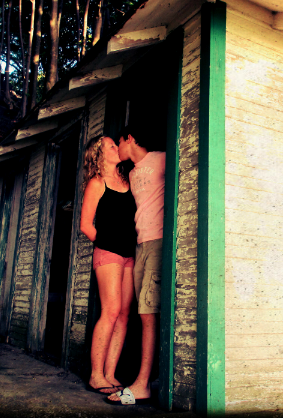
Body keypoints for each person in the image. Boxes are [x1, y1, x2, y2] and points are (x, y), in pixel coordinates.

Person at [106, 124, 165, 406]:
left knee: (148, 314)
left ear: (129, 139)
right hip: (140, 244)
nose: (118, 148)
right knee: (144, 313)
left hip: (158, 241)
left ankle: (142, 385)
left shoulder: (161, 159)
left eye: (118, 142)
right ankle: (147, 380)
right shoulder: (131, 173)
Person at [80, 135, 137, 395]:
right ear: (99, 154)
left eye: (116, 144)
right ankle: (96, 376)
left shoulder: (127, 180)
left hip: (129, 254)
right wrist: (106, 244)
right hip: (108, 253)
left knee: (124, 314)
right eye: (111, 146)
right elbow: (85, 225)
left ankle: (110, 375)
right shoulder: (97, 182)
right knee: (111, 311)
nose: (116, 148)